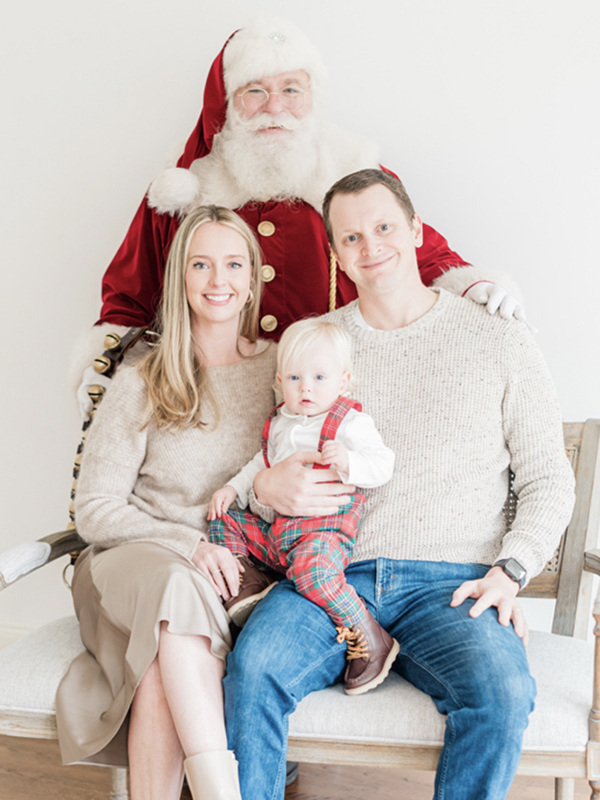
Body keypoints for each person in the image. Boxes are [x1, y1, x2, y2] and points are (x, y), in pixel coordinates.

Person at [222, 169, 576, 800]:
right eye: (351, 237)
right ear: (336, 252)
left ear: (415, 230)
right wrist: (265, 488)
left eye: (384, 227)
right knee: (254, 669)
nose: (371, 246)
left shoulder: (497, 336)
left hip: (454, 586)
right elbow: (269, 452)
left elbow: (549, 478)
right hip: (332, 575)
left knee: (502, 691)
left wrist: (511, 571)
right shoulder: (318, 345)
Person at [75, 15, 523, 418]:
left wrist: (474, 286)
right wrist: (111, 365)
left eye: (291, 90)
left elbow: (413, 255)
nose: (275, 107)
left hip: (337, 404)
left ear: (313, 98)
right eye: (255, 91)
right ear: (228, 102)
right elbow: (131, 299)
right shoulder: (185, 190)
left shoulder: (353, 172)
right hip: (217, 407)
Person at [56, 205, 279, 800]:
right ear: (180, 276)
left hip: (227, 576)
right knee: (175, 587)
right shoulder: (143, 376)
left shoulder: (282, 371)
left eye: (233, 264)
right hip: (127, 564)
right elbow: (95, 509)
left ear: (253, 278)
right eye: (200, 265)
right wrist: (189, 544)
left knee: (160, 663)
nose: (218, 280)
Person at [207, 318, 398, 695]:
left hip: (322, 536)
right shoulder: (281, 421)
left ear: (343, 381)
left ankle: (368, 634)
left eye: (319, 378)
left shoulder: (350, 423)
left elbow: (383, 464)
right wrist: (232, 488)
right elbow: (260, 463)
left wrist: (349, 461)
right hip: (279, 538)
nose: (305, 387)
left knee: (314, 574)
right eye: (294, 378)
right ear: (280, 381)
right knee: (221, 517)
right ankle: (251, 582)